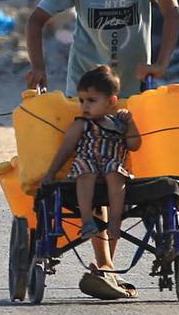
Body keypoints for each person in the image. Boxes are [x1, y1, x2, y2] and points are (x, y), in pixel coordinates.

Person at [25, 0, 179, 297]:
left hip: (131, 94)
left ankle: (111, 263)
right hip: (90, 95)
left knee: (127, 172)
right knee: (91, 169)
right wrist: (38, 67)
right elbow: (37, 19)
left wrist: (160, 63)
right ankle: (106, 267)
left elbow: (172, 13)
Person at [41, 65, 141, 246]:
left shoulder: (119, 123)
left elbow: (134, 145)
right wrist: (51, 173)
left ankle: (115, 221)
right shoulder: (81, 124)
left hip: (112, 162)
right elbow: (66, 149)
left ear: (111, 101)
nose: (84, 106)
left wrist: (131, 123)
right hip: (88, 161)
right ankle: (87, 220)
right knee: (85, 171)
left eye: (91, 101)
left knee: (116, 174)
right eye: (82, 101)